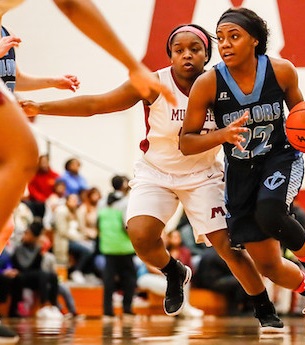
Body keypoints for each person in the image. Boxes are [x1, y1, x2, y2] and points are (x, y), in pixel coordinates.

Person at [20, 24, 285, 332]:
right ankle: (174, 271)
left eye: (194, 49)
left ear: (206, 54)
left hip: (202, 175)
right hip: (156, 172)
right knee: (141, 236)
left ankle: (264, 308)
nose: (186, 55)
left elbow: (261, 111)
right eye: (179, 50)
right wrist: (40, 106)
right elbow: (97, 104)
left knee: (228, 248)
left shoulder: (219, 84)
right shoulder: (153, 84)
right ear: (170, 56)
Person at [0, 0, 176, 341]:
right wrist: (132, 65)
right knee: (25, 152)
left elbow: (14, 78)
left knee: (7, 224)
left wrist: (52, 81)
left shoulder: (6, 29)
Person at [180, 7, 305, 333]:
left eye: (234, 36)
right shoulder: (208, 83)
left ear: (255, 40)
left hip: (280, 157)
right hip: (240, 172)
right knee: (269, 266)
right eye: (221, 38)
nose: (225, 44)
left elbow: (303, 117)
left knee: (271, 212)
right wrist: (222, 135)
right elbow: (186, 141)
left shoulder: (281, 71)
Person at [98, 187, 137, 320]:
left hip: (108, 246)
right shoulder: (126, 202)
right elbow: (126, 225)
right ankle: (127, 309)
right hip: (124, 247)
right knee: (130, 279)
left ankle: (107, 311)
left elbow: (97, 223)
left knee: (109, 280)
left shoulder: (102, 202)